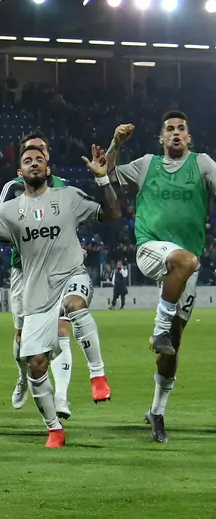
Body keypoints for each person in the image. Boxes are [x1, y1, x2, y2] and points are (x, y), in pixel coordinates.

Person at [0, 144, 118, 447]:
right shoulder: (9, 211)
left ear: (48, 169)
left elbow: (112, 214)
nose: (34, 163)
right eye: (27, 161)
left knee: (74, 305)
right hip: (37, 295)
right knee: (36, 364)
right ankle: (54, 429)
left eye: (39, 159)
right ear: (19, 172)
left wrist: (103, 180)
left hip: (71, 276)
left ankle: (98, 376)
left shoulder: (69, 197)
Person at [107, 113, 216, 443]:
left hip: (187, 266)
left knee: (172, 346)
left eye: (181, 128)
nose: (176, 133)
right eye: (170, 129)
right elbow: (107, 174)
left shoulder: (203, 165)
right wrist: (115, 144)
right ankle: (158, 327)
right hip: (151, 249)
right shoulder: (146, 164)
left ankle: (157, 410)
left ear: (189, 136)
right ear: (161, 138)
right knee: (185, 261)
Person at [0, 134, 76, 416]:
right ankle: (23, 377)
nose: (37, 155)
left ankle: (62, 398)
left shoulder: (62, 188)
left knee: (61, 330)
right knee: (22, 338)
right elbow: (0, 225)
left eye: (42, 150)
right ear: (22, 162)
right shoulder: (12, 188)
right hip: (24, 270)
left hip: (58, 271)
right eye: (31, 153)